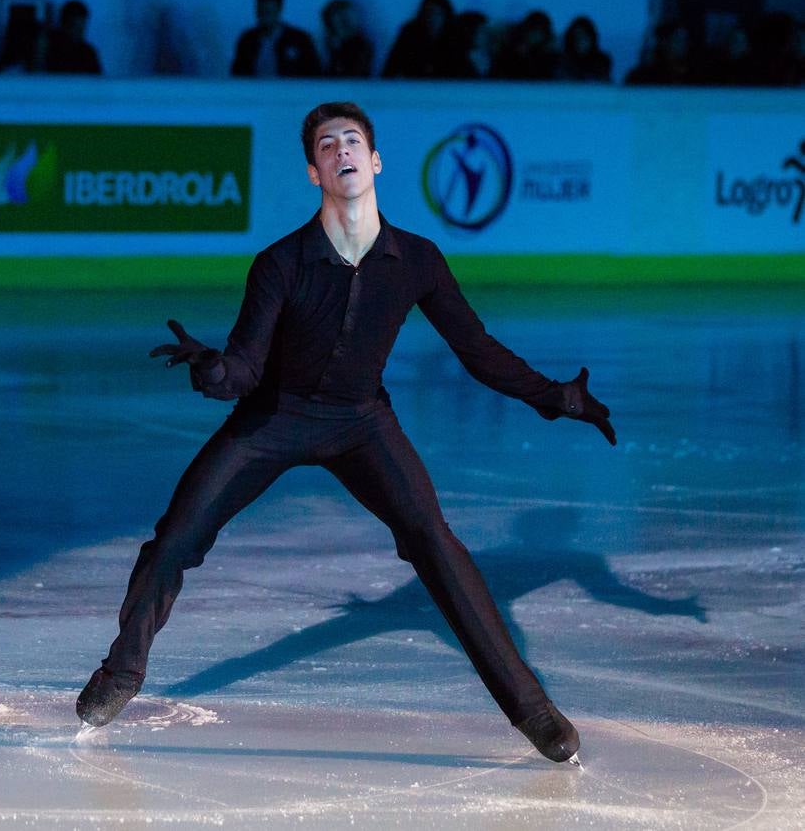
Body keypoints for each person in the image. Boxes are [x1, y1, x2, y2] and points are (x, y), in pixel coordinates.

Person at [77, 101, 617, 764]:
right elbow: (244, 369)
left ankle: (534, 712)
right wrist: (212, 369)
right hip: (273, 419)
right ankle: (122, 672)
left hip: (362, 423)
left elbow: (477, 350)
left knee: (435, 541)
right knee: (178, 535)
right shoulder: (280, 263)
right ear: (314, 172)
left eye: (352, 140)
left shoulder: (416, 259)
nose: (342, 151)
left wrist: (557, 396)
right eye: (328, 145)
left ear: (377, 160)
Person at [231, 0, 320, 77]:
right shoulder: (247, 40)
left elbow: (314, 73)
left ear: (279, 9)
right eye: (261, 12)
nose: (264, 18)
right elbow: (237, 73)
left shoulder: (299, 40)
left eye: (268, 12)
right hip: (253, 90)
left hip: (290, 91)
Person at [382, 0, 466, 79]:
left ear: (446, 16)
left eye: (437, 14)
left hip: (448, 90)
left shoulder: (456, 38)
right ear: (422, 14)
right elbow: (390, 69)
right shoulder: (409, 35)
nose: (433, 18)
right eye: (429, 13)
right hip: (413, 89)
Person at [45, 0, 102, 74]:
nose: (80, 32)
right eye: (75, 27)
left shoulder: (87, 52)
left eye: (82, 28)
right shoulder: (48, 46)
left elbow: (98, 82)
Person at [321, 0, 373, 78]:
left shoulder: (361, 45)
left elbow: (355, 73)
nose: (342, 21)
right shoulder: (330, 45)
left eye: (345, 18)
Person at [556, 16, 611, 82]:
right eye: (577, 37)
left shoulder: (602, 61)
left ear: (592, 39)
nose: (581, 41)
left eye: (584, 37)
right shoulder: (559, 61)